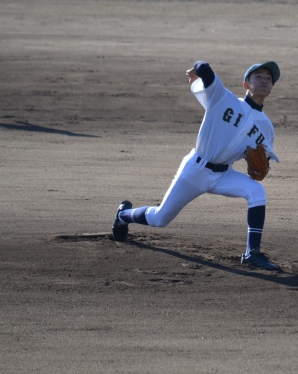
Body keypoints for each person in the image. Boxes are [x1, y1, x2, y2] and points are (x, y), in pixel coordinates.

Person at [112, 61, 282, 271]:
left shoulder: (266, 126)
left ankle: (252, 253)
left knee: (256, 191)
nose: (264, 81)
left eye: (268, 79)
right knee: (159, 218)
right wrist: (195, 70)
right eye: (259, 77)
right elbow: (203, 67)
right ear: (246, 84)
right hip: (196, 169)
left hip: (223, 175)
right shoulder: (223, 98)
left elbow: (263, 162)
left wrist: (259, 166)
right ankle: (123, 216)